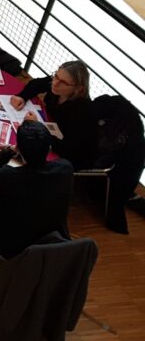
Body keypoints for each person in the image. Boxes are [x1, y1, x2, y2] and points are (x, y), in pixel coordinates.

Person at [0, 121, 73, 275]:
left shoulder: (12, 176)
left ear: (19, 149)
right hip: (52, 235)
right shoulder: (65, 168)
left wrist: (7, 152)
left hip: (13, 242)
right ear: (48, 148)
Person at [8, 60, 94, 170]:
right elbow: (36, 84)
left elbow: (69, 149)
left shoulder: (84, 111)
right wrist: (22, 97)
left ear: (79, 88)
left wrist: (38, 128)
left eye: (63, 82)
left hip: (66, 161)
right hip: (52, 135)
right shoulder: (55, 84)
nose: (55, 83)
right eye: (56, 76)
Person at [92, 94, 145, 234]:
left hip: (118, 172)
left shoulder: (116, 127)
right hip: (131, 172)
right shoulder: (130, 121)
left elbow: (105, 153)